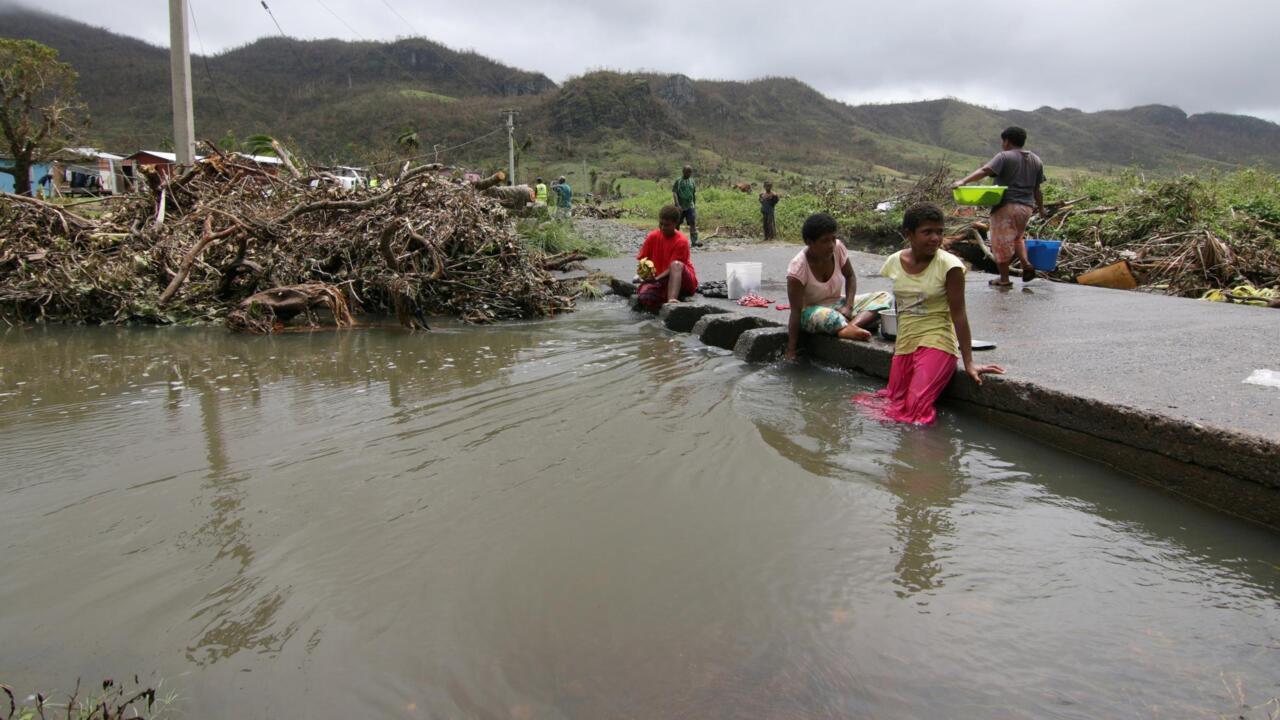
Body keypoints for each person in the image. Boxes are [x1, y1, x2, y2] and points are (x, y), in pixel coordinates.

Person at [854, 203, 1004, 425]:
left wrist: (969, 362)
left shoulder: (950, 266)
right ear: (909, 234)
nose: (935, 238)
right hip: (906, 343)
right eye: (927, 232)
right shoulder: (894, 262)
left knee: (916, 409)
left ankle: (925, 447)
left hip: (938, 342)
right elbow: (901, 306)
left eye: (939, 232)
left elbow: (959, 315)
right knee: (893, 402)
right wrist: (898, 343)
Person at [784, 212, 891, 361]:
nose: (831, 245)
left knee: (884, 297)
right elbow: (796, 312)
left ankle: (848, 327)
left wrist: (848, 306)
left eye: (833, 239)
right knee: (830, 316)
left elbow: (850, 276)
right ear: (809, 242)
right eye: (825, 241)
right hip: (812, 313)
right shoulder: (797, 268)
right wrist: (791, 350)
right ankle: (847, 325)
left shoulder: (838, 248)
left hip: (838, 305)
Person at [953, 126, 1046, 287]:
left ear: (1007, 141)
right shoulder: (1036, 160)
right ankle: (1026, 265)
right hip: (1026, 207)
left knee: (1000, 242)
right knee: (1017, 238)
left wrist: (963, 181)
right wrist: (1041, 208)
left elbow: (985, 170)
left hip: (1006, 206)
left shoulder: (1004, 156)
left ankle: (1004, 279)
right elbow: (1037, 189)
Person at [635, 205, 699, 309]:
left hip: (683, 280)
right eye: (661, 224)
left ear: (675, 224)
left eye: (667, 225)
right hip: (661, 280)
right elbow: (643, 260)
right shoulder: (652, 236)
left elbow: (673, 269)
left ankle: (672, 300)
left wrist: (656, 279)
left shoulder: (681, 241)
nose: (663, 227)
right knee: (644, 297)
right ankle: (663, 297)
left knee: (676, 265)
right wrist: (646, 275)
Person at [671, 165, 700, 247]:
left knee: (692, 222)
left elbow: (693, 193)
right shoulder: (678, 181)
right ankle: (675, 241)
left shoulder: (692, 181)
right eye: (687, 172)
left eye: (690, 172)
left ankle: (694, 241)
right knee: (677, 223)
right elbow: (674, 192)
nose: (689, 174)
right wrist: (677, 204)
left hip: (690, 205)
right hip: (680, 206)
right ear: (683, 172)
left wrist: (694, 204)